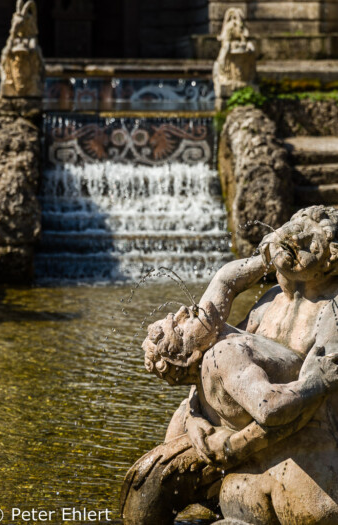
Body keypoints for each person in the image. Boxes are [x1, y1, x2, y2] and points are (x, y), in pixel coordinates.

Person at [121, 205, 338, 525]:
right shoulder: (270, 302)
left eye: (312, 240)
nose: (297, 237)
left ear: (331, 261)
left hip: (297, 446)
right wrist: (196, 419)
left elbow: (312, 400)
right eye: (295, 226)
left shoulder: (331, 311)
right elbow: (227, 372)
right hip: (239, 429)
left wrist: (229, 447)